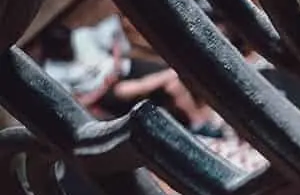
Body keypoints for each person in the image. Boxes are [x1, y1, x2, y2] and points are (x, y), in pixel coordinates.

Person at [38, 18, 223, 137]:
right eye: (63, 51)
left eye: (69, 46)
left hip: (122, 69)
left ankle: (197, 122)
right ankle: (172, 74)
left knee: (173, 84)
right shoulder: (52, 71)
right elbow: (78, 103)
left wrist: (117, 61)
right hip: (105, 91)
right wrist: (102, 87)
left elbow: (113, 40)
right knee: (128, 89)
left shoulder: (83, 36)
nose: (69, 51)